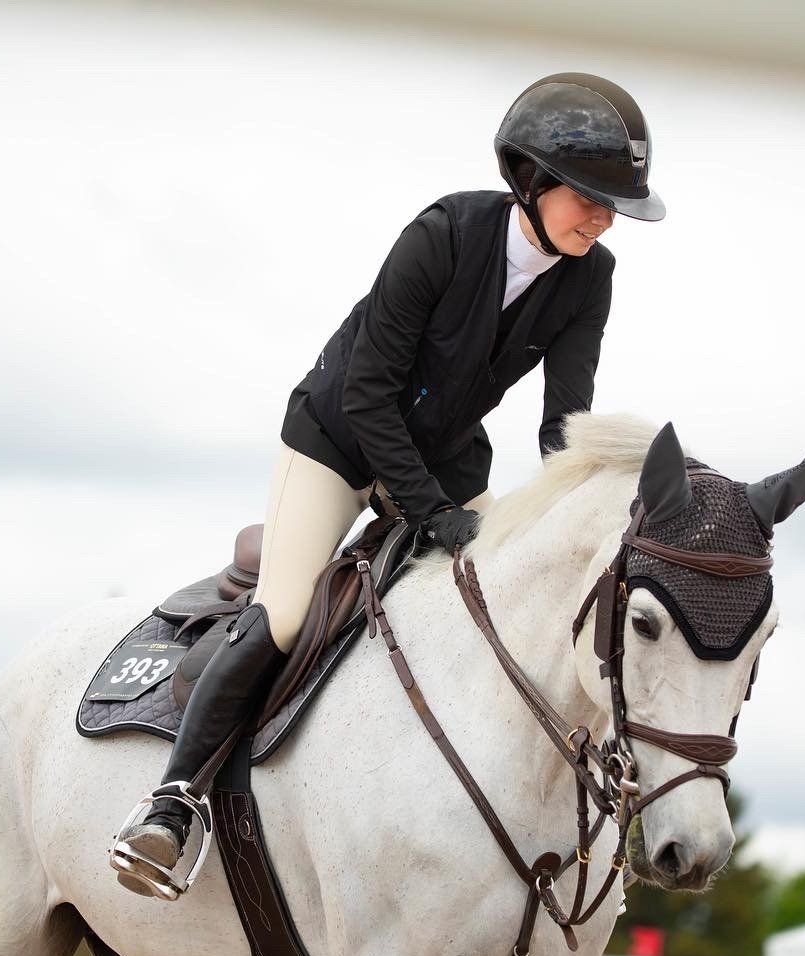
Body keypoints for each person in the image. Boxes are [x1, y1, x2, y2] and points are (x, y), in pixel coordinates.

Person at [108, 71, 665, 899]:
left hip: (444, 455)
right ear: (532, 180)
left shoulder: (592, 276)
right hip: (336, 436)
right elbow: (370, 392)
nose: (602, 215)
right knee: (291, 613)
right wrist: (434, 514)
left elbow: (563, 425)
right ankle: (172, 804)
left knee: (485, 609)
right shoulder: (443, 233)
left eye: (613, 203)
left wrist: (574, 511)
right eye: (589, 194)